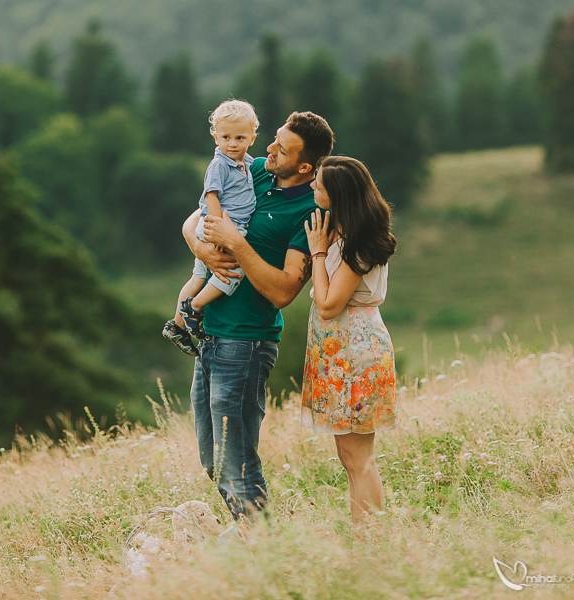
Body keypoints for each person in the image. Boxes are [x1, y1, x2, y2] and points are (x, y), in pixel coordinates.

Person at [183, 111, 334, 522]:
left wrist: (234, 241)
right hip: (211, 333)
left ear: (305, 166)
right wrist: (204, 251)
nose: (266, 148)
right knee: (212, 456)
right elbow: (194, 218)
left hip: (246, 341)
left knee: (235, 460)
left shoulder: (312, 211)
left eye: (280, 148)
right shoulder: (252, 169)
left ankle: (258, 542)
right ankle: (251, 535)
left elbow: (285, 290)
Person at [302, 155, 398, 536]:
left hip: (353, 353)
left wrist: (318, 251)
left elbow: (328, 305)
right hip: (343, 352)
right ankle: (366, 533)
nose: (312, 186)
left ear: (337, 196)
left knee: (358, 459)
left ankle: (371, 538)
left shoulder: (355, 244)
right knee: (350, 456)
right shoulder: (348, 234)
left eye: (319, 185)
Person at [163, 100, 259, 357]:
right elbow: (211, 197)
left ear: (252, 138)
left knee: (198, 276)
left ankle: (177, 326)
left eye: (240, 137)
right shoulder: (219, 165)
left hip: (220, 228)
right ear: (215, 136)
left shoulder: (247, 164)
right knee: (232, 273)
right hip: (222, 227)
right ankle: (194, 308)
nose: (232, 143)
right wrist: (219, 229)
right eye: (226, 137)